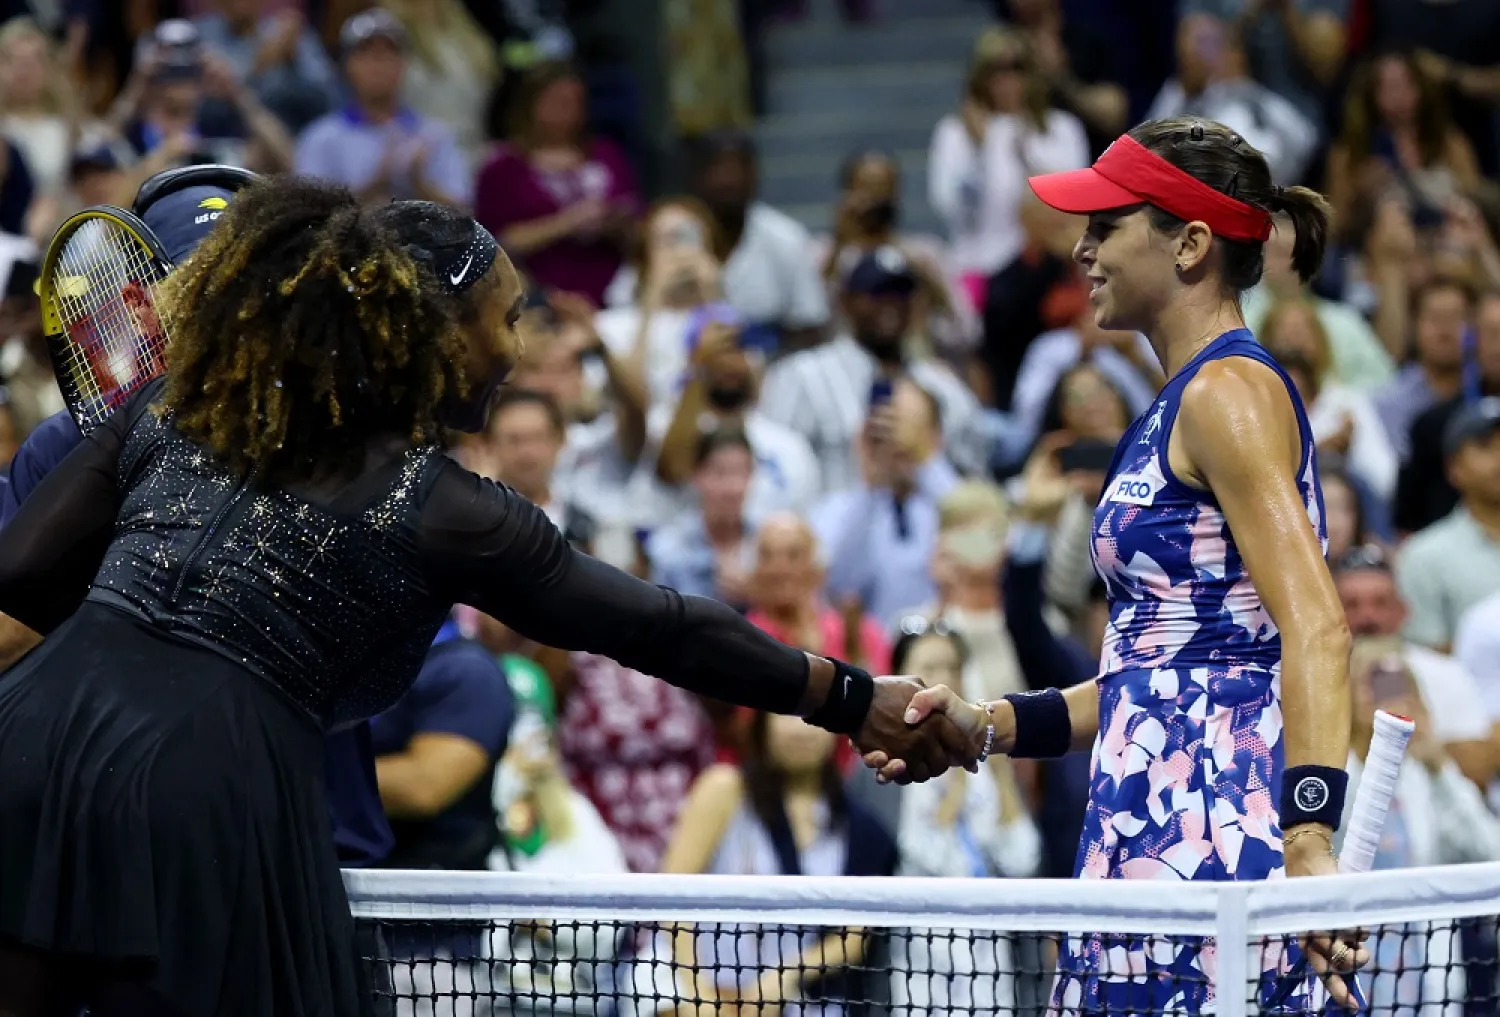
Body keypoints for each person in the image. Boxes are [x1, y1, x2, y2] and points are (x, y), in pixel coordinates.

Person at [0, 177, 971, 1016]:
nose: (512, 349)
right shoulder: (448, 509)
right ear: (433, 333)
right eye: (503, 319)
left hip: (25, 742)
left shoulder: (179, 408)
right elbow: (657, 626)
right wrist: (851, 698)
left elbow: (24, 578)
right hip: (209, 786)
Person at [877, 117, 1364, 1013]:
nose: (1081, 246)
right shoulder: (1175, 403)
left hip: (1224, 823)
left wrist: (1307, 836)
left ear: (1189, 244)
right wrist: (984, 725)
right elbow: (1155, 677)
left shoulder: (1229, 392)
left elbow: (1319, 626)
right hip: (1151, 808)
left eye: (1107, 224)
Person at [0, 164, 398, 873]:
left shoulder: (342, 452)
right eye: (209, 287)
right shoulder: (63, 451)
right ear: (141, 302)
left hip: (309, 860)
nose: (244, 313)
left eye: (267, 289)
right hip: (109, 854)